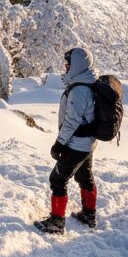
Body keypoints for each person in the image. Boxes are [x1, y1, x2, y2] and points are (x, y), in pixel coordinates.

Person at [34, 46, 100, 234]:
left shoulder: (79, 91)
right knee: (84, 176)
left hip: (77, 144)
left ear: (77, 65)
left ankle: (56, 222)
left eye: (68, 64)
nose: (66, 67)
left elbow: (71, 121)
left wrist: (59, 144)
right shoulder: (88, 83)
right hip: (87, 142)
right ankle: (89, 215)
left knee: (57, 179)